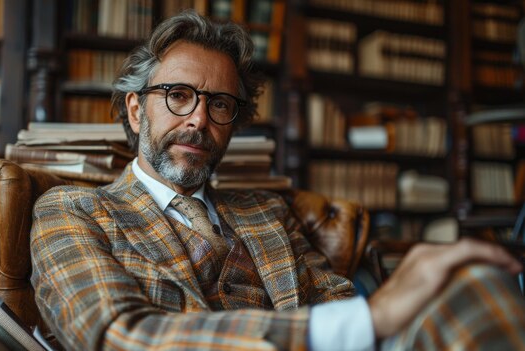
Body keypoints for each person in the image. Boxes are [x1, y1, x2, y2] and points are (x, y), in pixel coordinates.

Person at [28, 10, 524, 351]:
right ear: (137, 111)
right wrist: (371, 319)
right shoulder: (71, 211)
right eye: (178, 95)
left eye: (219, 104)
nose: (199, 119)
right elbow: (118, 337)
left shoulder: (265, 211)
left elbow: (336, 304)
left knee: (476, 283)